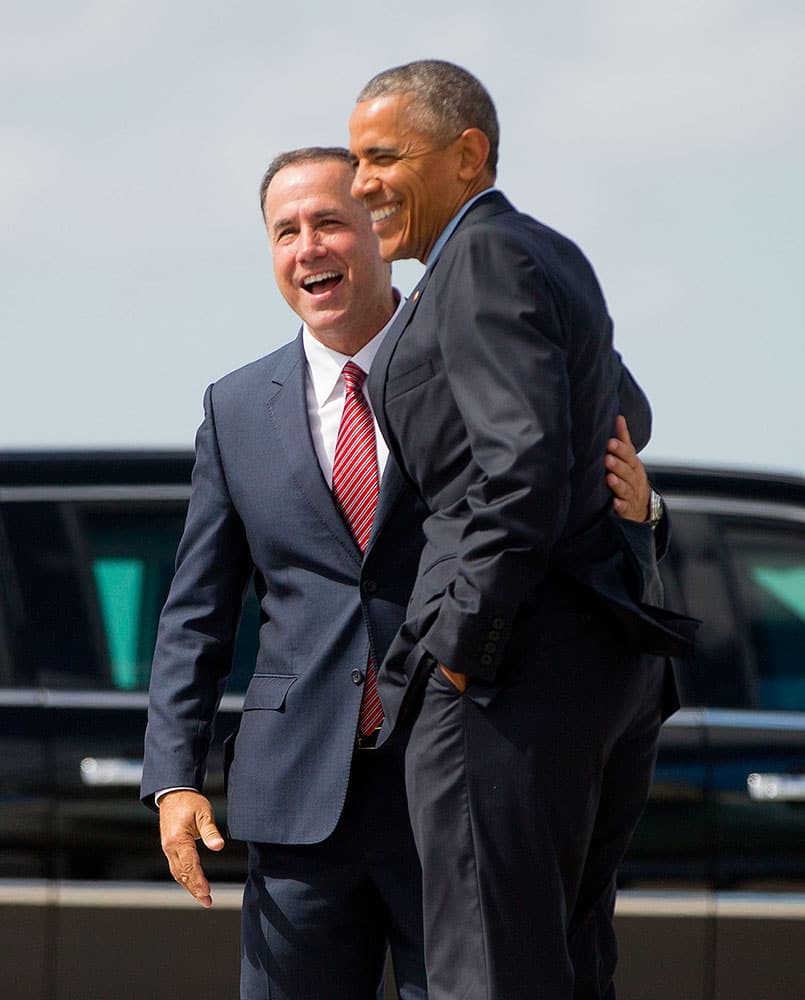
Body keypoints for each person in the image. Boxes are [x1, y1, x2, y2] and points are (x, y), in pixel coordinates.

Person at [141, 146, 661, 1000]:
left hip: (457, 780)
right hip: (297, 801)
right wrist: (172, 776)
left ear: (381, 232)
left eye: (331, 222)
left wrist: (645, 519)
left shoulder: (480, 351)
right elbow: (195, 609)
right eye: (286, 231)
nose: (308, 246)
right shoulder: (232, 407)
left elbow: (581, 483)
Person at [348, 60, 698, 1000]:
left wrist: (464, 642)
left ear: (468, 154)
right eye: (354, 159)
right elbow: (624, 410)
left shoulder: (483, 257)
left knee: (489, 970)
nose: (361, 180)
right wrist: (613, 481)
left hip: (509, 678)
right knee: (563, 964)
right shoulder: (541, 251)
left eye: (383, 156)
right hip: (592, 668)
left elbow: (522, 469)